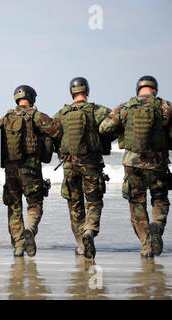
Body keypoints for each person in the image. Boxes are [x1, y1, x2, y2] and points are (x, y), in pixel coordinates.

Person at [99, 75, 171, 258]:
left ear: (137, 89)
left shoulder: (126, 107)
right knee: (160, 199)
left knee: (137, 204)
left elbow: (104, 128)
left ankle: (146, 246)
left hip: (132, 164)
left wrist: (124, 128)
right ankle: (157, 224)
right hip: (158, 163)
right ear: (155, 88)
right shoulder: (165, 106)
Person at [53, 77, 114, 260]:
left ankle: (81, 243)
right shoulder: (98, 110)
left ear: (71, 92)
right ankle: (90, 230)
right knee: (94, 201)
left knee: (74, 204)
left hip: (70, 165)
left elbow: (52, 133)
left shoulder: (61, 113)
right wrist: (103, 141)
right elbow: (115, 124)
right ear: (86, 91)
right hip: (91, 163)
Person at [0, 85, 62, 257]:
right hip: (31, 168)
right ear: (32, 98)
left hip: (10, 170)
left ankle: (18, 247)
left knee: (14, 207)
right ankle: (31, 230)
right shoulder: (37, 116)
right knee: (34, 202)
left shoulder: (5, 119)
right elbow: (57, 131)